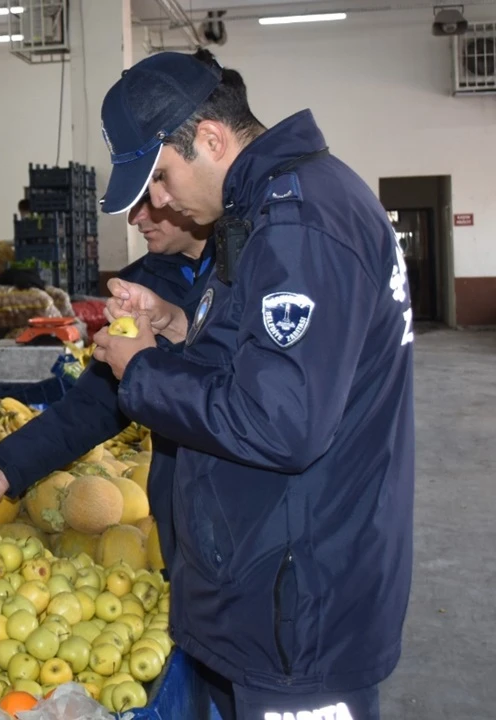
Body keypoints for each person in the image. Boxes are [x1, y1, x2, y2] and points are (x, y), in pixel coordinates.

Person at [86, 52, 412, 720]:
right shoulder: (265, 212)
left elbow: (281, 423)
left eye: (162, 179)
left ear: (210, 138)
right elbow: (265, 361)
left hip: (300, 607)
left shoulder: (302, 222)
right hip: (269, 583)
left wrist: (143, 372)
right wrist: (177, 330)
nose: (160, 203)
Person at [0, 195, 211, 567]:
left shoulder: (252, 273)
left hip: (251, 522)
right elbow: (92, 405)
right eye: (131, 204)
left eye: (149, 199)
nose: (135, 217)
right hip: (177, 515)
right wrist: (5, 468)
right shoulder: (138, 286)